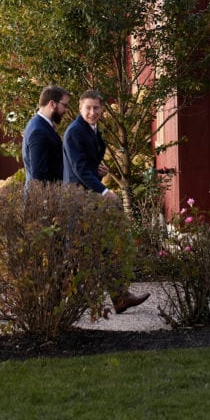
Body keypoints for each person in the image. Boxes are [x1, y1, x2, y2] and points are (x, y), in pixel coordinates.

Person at [63, 89, 150, 314]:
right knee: (79, 251)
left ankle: (119, 296)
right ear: (80, 108)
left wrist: (98, 169)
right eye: (88, 108)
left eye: (96, 108)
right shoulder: (74, 132)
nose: (92, 112)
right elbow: (78, 168)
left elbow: (88, 163)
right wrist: (104, 191)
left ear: (101, 109)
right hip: (79, 199)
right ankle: (65, 300)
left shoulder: (92, 129)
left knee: (104, 247)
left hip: (88, 197)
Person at [22, 85, 70, 184]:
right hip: (44, 197)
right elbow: (39, 176)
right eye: (64, 105)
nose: (66, 110)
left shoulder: (40, 125)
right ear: (52, 104)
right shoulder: (38, 131)